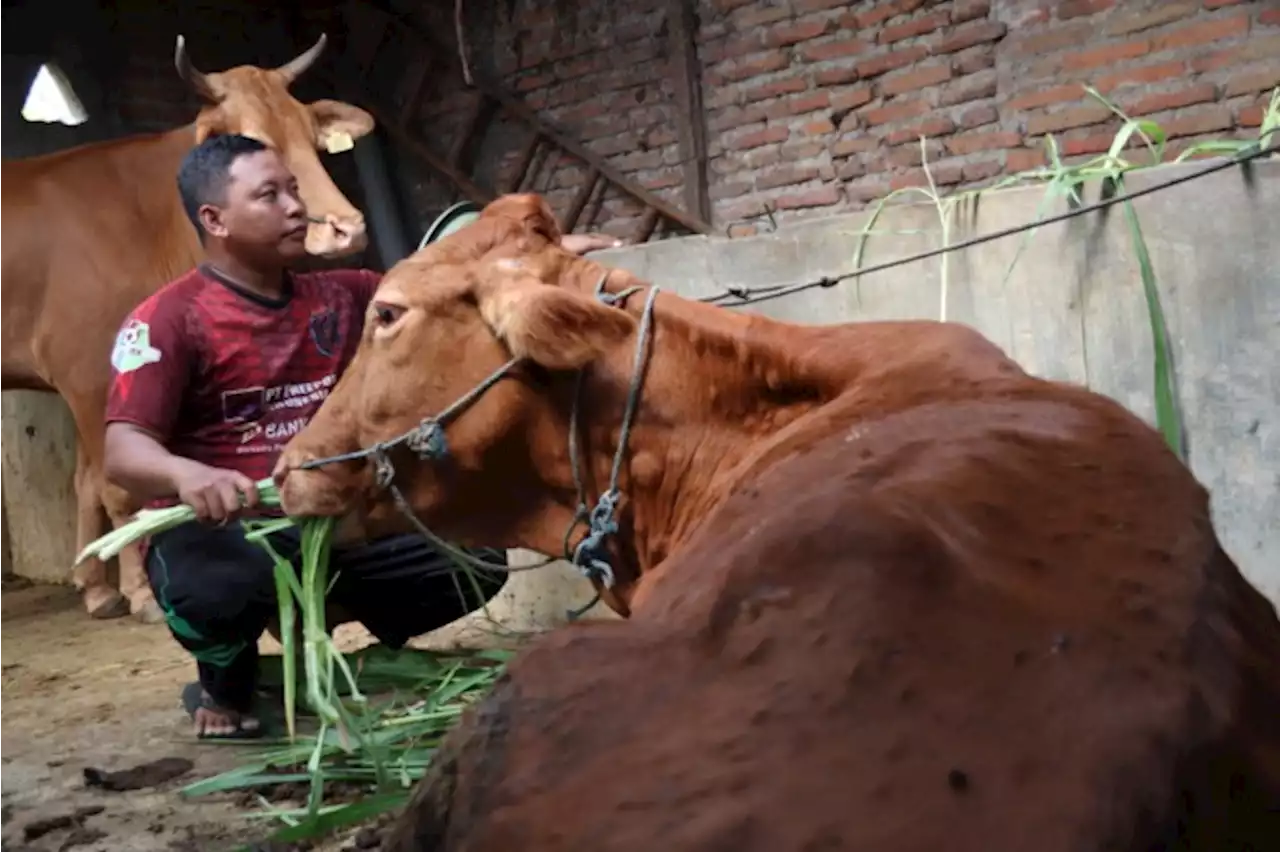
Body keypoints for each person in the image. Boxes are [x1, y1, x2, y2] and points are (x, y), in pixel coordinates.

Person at [103, 133, 623, 739]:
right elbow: (123, 448)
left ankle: (318, 618)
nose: (296, 206)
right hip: (231, 528)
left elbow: (443, 281)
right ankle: (223, 677)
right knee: (213, 584)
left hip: (335, 514)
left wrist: (547, 262)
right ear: (213, 219)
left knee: (474, 560)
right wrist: (188, 477)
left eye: (294, 190)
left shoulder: (349, 294)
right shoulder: (169, 318)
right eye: (269, 195)